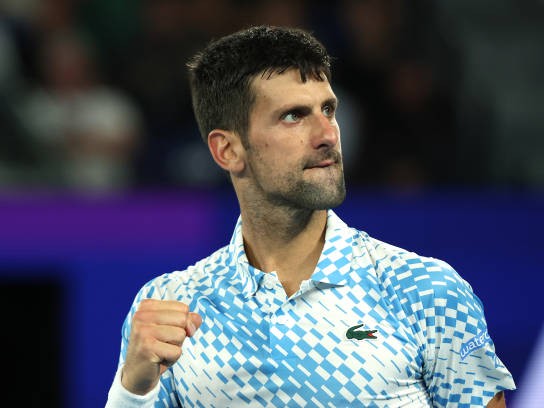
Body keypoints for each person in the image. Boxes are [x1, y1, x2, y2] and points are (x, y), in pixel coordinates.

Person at [105, 25, 516, 407]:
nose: (327, 135)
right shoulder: (170, 304)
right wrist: (132, 389)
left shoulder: (424, 291)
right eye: (293, 116)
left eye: (328, 110)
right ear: (227, 150)